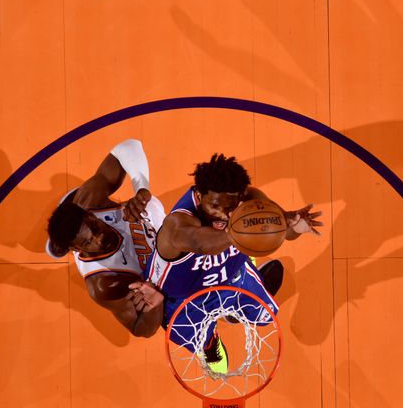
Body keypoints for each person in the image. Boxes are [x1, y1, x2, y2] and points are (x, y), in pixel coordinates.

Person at [144, 153, 322, 373]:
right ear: (199, 195)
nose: (224, 213)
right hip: (181, 297)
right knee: (200, 340)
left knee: (265, 317)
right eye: (216, 205)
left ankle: (235, 295)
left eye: (231, 206)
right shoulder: (177, 225)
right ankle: (210, 342)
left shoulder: (249, 200)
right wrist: (246, 231)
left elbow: (284, 233)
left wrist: (293, 225)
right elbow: (200, 244)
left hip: (226, 274)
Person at [46, 139, 165, 338]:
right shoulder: (103, 283)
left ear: (91, 215)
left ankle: (62, 220)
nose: (99, 239)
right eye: (87, 243)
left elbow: (129, 146)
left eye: (94, 227)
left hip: (158, 219)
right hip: (168, 262)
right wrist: (156, 300)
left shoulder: (89, 202)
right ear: (75, 249)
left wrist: (141, 189)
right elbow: (141, 329)